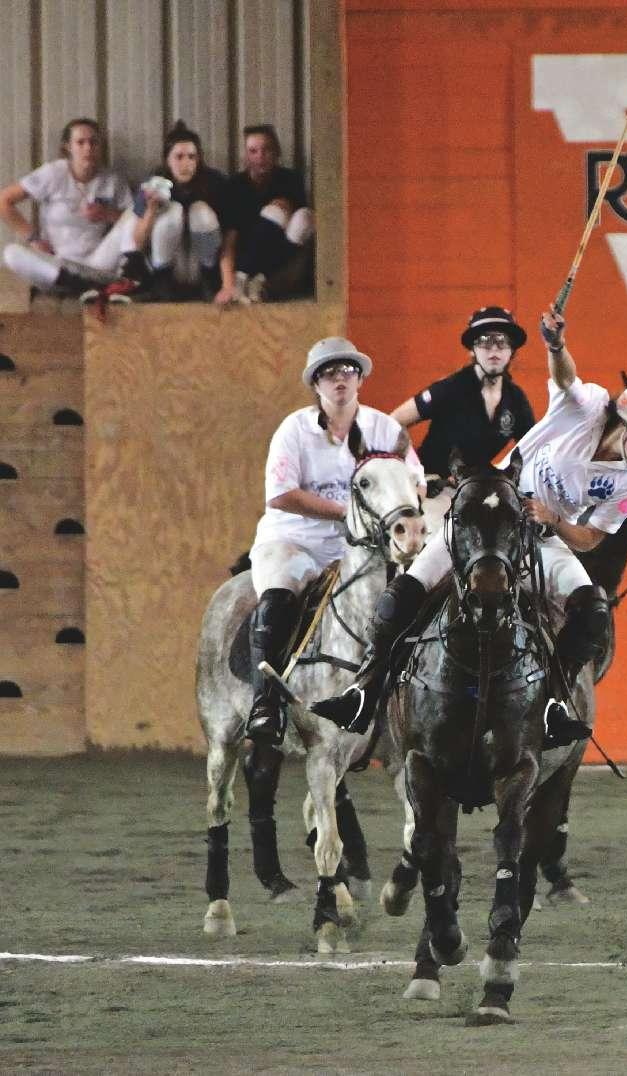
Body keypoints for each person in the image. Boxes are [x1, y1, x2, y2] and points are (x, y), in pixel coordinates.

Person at [311, 305, 627, 749]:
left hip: (542, 538)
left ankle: (554, 703)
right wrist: (556, 344)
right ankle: (364, 691)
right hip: (487, 520)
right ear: (626, 423)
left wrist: (555, 521)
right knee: (406, 590)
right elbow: (566, 378)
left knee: (594, 611)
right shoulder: (588, 407)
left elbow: (591, 539)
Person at [244, 336, 424, 747]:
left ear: (360, 379)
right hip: (295, 539)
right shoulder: (294, 429)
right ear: (316, 384)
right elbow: (280, 494)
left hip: (362, 548)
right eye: (328, 373)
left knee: (413, 603)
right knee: (277, 598)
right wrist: (346, 513)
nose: (339, 378)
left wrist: (403, 514)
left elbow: (415, 482)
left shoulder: (385, 429)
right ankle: (265, 703)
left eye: (347, 370)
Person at [389, 306, 537, 483]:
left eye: (502, 341)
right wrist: (413, 469)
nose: (494, 350)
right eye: (485, 341)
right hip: (431, 486)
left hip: (473, 489)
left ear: (512, 350)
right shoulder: (451, 388)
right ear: (472, 349)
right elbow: (393, 421)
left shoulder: (516, 399)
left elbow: (534, 448)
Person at [1, 118, 135, 296]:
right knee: (11, 253)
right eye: (80, 142)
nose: (88, 148)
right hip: (57, 263)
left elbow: (135, 221)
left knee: (137, 213)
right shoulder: (53, 173)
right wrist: (34, 239)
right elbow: (4, 201)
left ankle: (90, 283)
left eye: (93, 142)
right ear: (68, 147)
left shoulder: (112, 180)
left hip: (97, 263)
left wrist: (108, 214)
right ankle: (78, 284)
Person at [127, 120, 234, 303]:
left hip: (202, 264)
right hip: (169, 264)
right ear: (167, 160)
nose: (186, 163)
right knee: (173, 210)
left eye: (192, 157)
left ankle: (208, 282)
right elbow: (137, 242)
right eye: (179, 157)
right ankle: (162, 283)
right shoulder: (154, 184)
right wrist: (151, 210)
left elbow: (229, 238)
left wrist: (227, 285)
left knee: (200, 210)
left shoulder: (215, 182)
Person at [223, 124, 314, 302]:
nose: (260, 157)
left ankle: (261, 281)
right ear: (245, 156)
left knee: (304, 216)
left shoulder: (290, 179)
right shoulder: (236, 185)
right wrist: (228, 283)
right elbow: (230, 240)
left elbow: (299, 235)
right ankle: (243, 279)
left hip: (280, 259)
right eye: (253, 151)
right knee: (274, 213)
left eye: (267, 150)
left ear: (277, 152)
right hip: (246, 257)